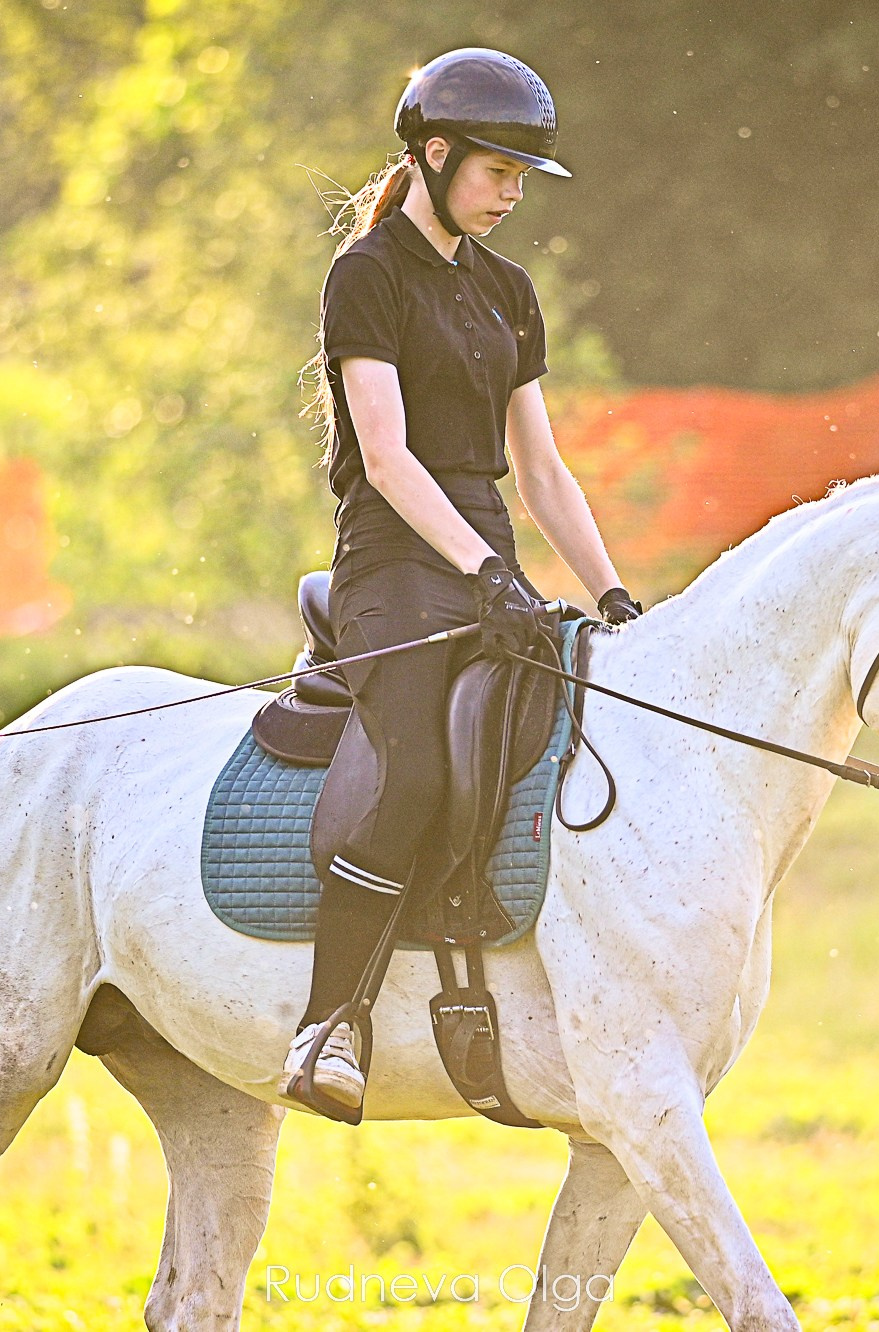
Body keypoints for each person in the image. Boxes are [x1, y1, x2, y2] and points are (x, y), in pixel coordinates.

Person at [282, 48, 642, 1113]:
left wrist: (612, 592)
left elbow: (537, 469)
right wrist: (480, 568)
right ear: (433, 157)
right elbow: (387, 459)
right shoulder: (368, 276)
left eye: (522, 178)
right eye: (497, 173)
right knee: (421, 776)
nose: (512, 194)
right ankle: (327, 1025)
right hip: (395, 565)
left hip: (489, 565)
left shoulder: (507, 292)